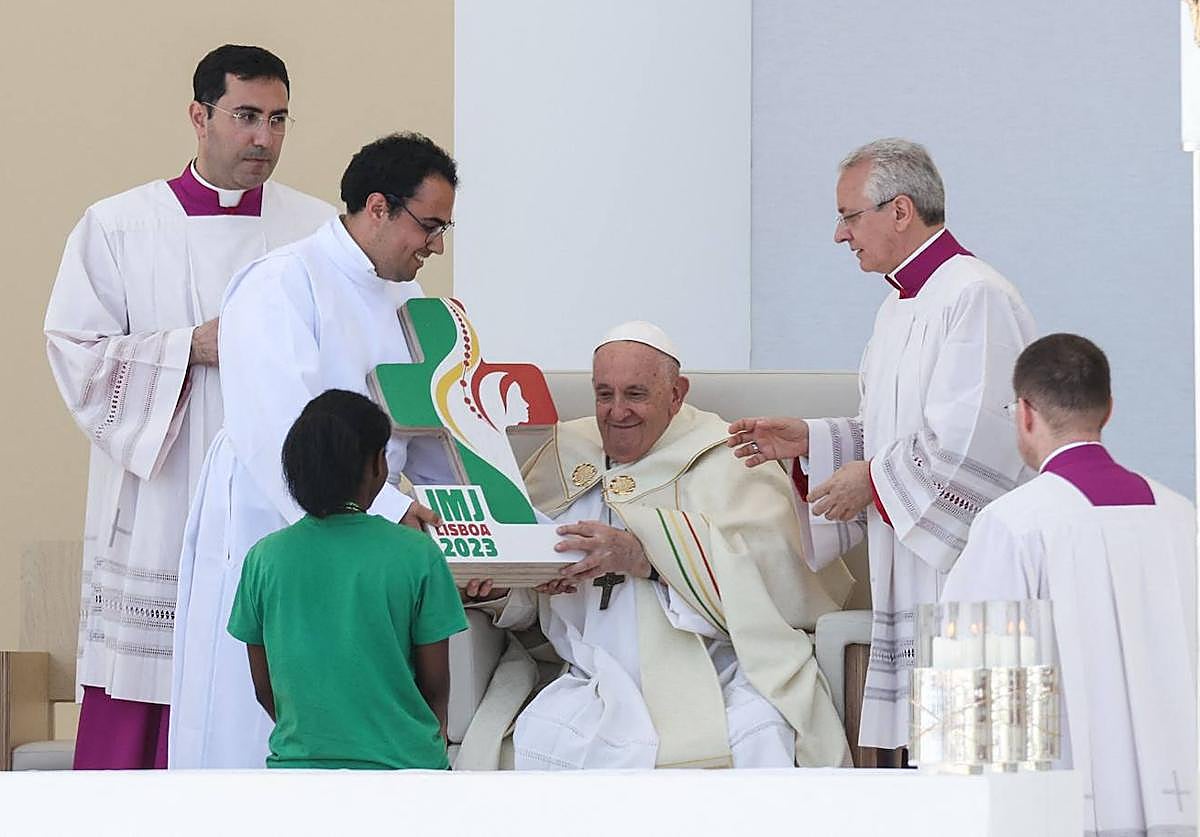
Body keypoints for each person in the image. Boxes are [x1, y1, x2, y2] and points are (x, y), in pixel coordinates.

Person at [44, 44, 335, 770]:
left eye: (277, 119)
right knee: (149, 688)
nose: (263, 137)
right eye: (244, 116)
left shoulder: (317, 233)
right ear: (199, 116)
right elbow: (76, 352)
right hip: (161, 500)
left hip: (276, 504)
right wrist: (189, 347)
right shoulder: (117, 226)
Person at [728, 138, 1036, 751]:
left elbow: (978, 441)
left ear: (900, 211)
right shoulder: (898, 307)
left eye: (849, 215)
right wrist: (813, 443)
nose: (841, 235)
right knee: (935, 759)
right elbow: (898, 436)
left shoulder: (975, 296)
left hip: (968, 571)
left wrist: (870, 478)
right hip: (914, 566)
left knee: (983, 759)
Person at [170, 132, 459, 768]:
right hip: (278, 520)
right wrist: (386, 512)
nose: (436, 245)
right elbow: (281, 430)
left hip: (375, 537)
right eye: (430, 225)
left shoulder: (408, 300)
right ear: (378, 207)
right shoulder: (280, 282)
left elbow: (427, 430)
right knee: (260, 723)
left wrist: (471, 524)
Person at [456, 321, 855, 770]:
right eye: (604, 394)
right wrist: (505, 589)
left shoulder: (729, 457)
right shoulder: (564, 455)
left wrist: (646, 556)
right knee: (543, 742)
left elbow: (780, 580)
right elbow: (530, 606)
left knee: (759, 734)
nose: (616, 411)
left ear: (676, 393)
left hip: (716, 668)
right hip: (589, 675)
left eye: (636, 394)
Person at [941, 334, 1195, 835]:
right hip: (1185, 793)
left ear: (1025, 412)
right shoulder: (1182, 515)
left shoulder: (1014, 524)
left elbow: (975, 686)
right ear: (1109, 410)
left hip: (1065, 804)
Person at [227, 390, 468, 769]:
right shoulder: (417, 553)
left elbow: (264, 688)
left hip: (298, 773)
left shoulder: (263, 558)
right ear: (374, 464)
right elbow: (435, 686)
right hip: (405, 770)